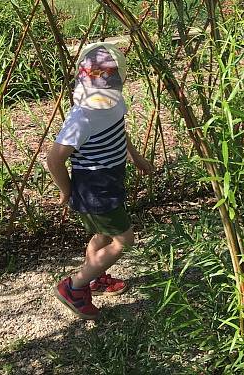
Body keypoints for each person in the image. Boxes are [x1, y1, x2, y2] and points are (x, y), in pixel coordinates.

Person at [48, 42, 154, 319]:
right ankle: (74, 286)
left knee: (103, 235)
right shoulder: (81, 117)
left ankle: (95, 278)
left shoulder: (114, 101)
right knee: (124, 240)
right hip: (94, 186)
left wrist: (136, 157)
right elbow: (54, 159)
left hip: (109, 179)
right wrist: (65, 190)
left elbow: (119, 130)